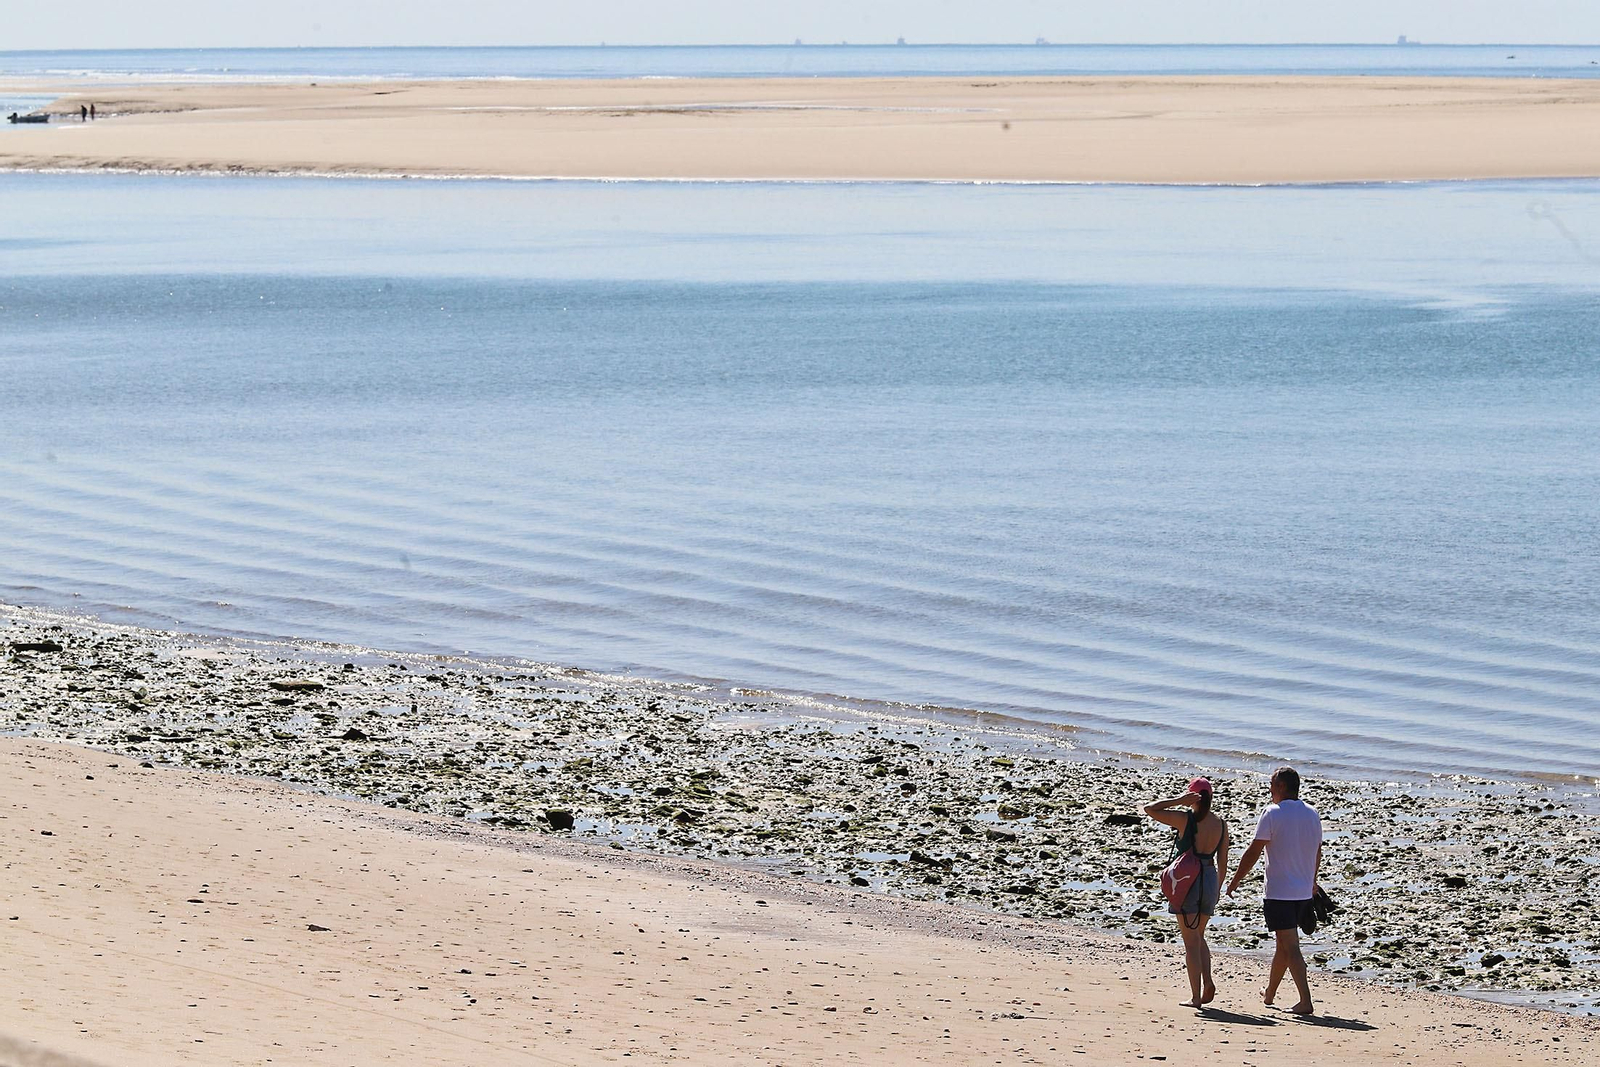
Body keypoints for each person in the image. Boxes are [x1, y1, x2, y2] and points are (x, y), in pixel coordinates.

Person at [1226, 766, 1322, 1016]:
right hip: (1302, 893)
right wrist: (1313, 881)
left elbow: (1254, 850)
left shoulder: (1272, 813)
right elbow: (1317, 851)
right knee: (1283, 945)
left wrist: (1236, 880)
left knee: (1291, 947)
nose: (1269, 789)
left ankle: (1305, 1001)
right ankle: (1269, 993)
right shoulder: (1312, 813)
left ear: (1281, 786)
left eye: (1272, 784)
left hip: (1280, 893)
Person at [1144, 777, 1229, 1008]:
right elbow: (1223, 861)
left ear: (1192, 797)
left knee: (1190, 942)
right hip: (1209, 878)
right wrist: (1218, 888)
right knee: (1198, 935)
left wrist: (1179, 800)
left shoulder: (1185, 820)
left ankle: (1195, 997)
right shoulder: (1220, 824)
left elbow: (1150, 809)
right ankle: (1208, 981)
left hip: (1188, 880)